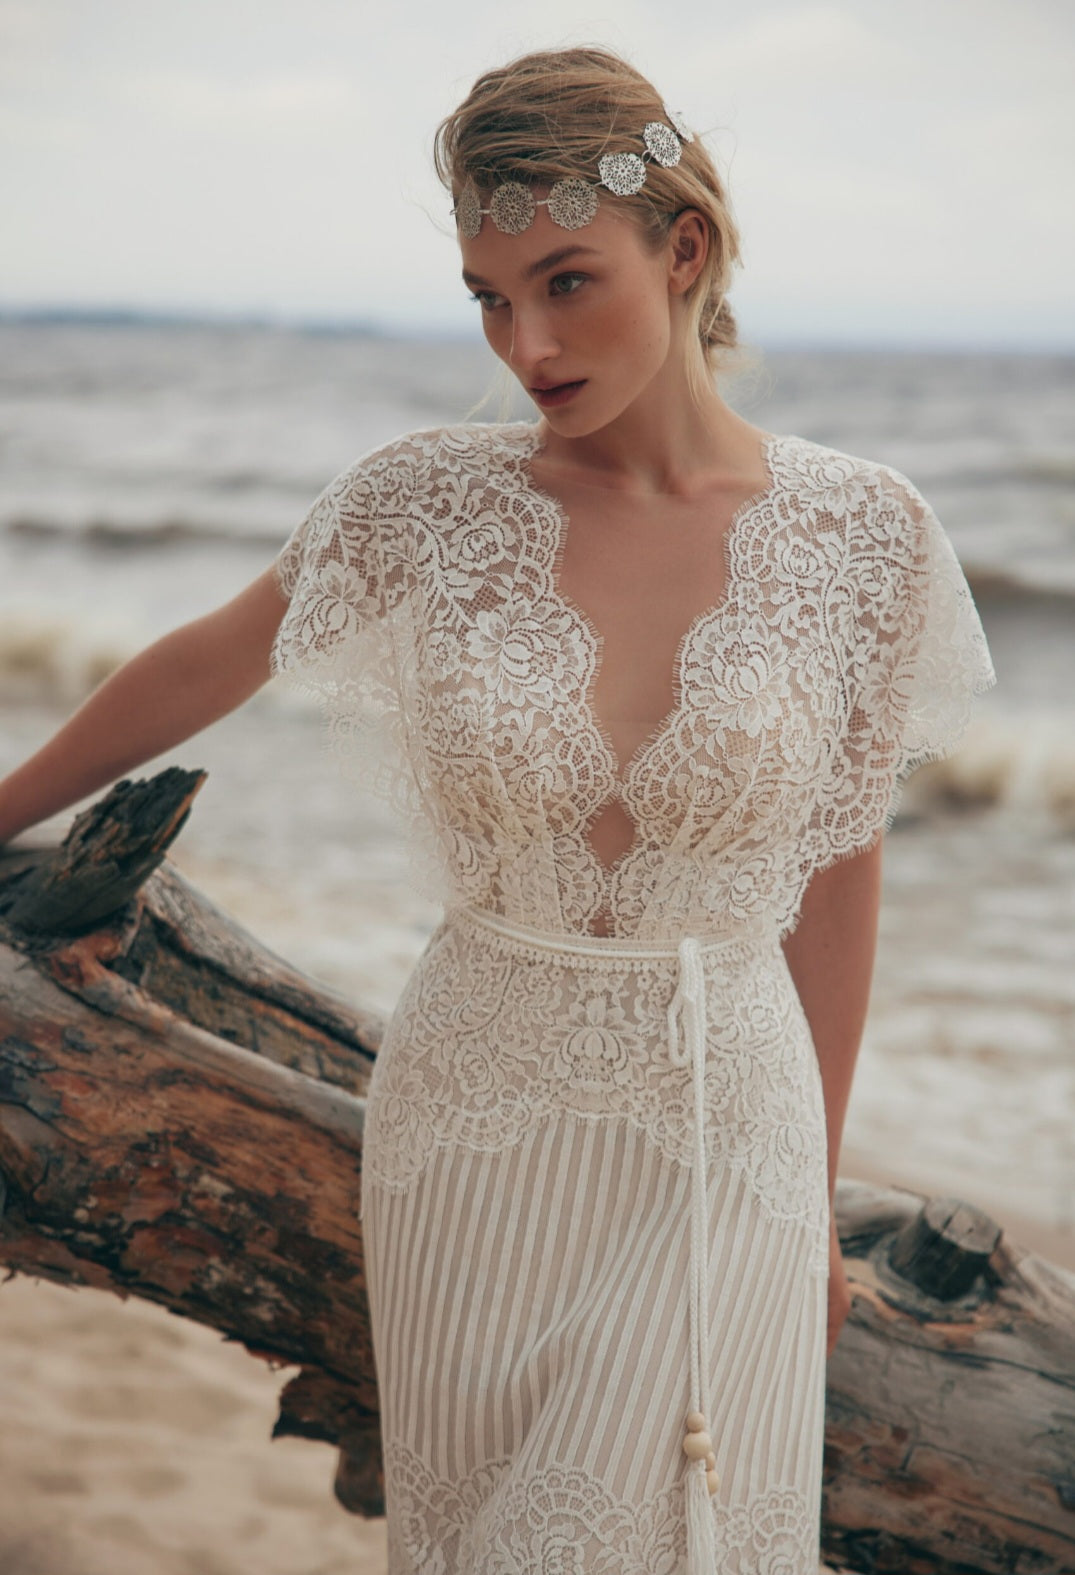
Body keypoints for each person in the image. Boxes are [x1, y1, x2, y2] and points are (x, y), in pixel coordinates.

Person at [0, 44, 996, 1575]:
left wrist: (808, 1203)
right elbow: (211, 658)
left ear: (685, 251)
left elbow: (840, 874)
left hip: (722, 1113)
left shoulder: (865, 535)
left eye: (565, 281)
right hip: (472, 1114)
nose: (524, 339)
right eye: (488, 295)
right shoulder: (428, 502)